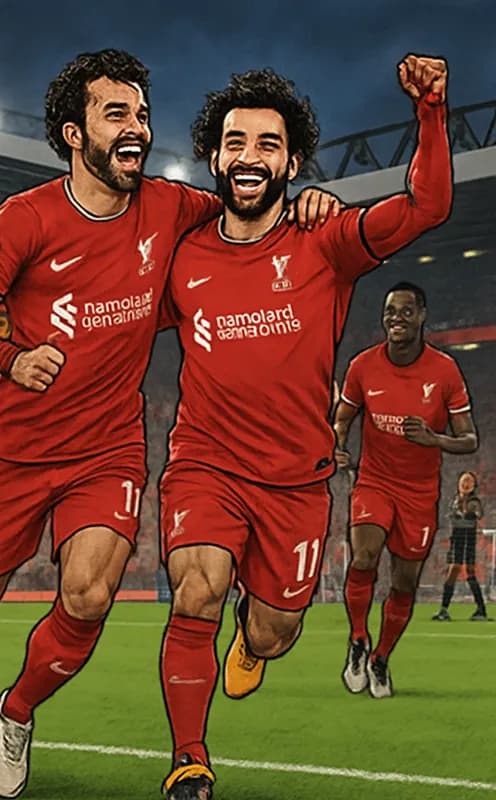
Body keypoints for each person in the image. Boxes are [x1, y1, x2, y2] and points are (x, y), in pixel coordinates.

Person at [0, 48, 338, 795]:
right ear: (75, 134)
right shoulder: (26, 218)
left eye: (141, 114)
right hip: (15, 451)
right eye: (116, 115)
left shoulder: (171, 206)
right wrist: (11, 358)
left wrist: (308, 200)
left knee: (90, 597)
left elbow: (249, 207)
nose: (137, 128)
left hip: (109, 450)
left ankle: (15, 712)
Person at [157, 55, 453, 799]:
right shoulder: (181, 255)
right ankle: (189, 758)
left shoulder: (327, 242)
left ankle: (253, 643)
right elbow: (117, 309)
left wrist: (432, 113)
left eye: (266, 144)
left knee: (270, 633)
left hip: (295, 483)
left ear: (290, 160)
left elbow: (426, 208)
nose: (247, 156)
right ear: (214, 155)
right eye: (234, 142)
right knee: (196, 589)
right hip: (205, 464)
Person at [336, 283, 477, 700]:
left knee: (404, 584)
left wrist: (435, 439)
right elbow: (342, 419)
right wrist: (338, 446)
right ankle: (359, 640)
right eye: (389, 311)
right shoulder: (363, 366)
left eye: (405, 311)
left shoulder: (445, 371)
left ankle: (381, 658)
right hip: (374, 481)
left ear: (421, 316)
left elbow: (469, 440)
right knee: (363, 556)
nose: (395, 317)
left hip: (419, 492)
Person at [432, 471, 489, 621]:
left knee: (467, 570)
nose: (465, 484)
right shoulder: (455, 500)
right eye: (463, 481)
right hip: (456, 536)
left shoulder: (474, 501)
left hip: (468, 536)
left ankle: (480, 609)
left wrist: (466, 514)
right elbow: (450, 515)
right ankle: (445, 609)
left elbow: (478, 514)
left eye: (469, 481)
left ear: (473, 485)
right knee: (454, 569)